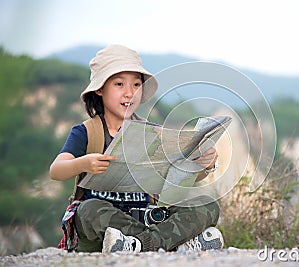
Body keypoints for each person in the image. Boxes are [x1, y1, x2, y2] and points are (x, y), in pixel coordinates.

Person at [49, 44, 223, 253]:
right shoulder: (86, 132)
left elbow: (172, 178)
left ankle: (138, 245)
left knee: (207, 204)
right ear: (100, 89)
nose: (129, 93)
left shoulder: (151, 133)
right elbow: (56, 170)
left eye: (136, 85)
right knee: (88, 210)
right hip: (103, 229)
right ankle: (172, 245)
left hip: (146, 217)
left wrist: (203, 164)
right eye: (119, 84)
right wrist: (84, 163)